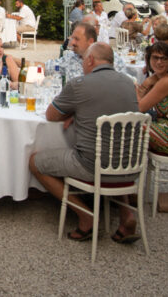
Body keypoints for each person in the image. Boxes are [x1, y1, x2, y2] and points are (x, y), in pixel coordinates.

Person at [29, 43, 141, 243]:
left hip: (92, 167)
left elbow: (51, 115)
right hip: (130, 167)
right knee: (113, 147)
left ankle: (86, 216)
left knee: (35, 162)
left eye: (83, 61)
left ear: (90, 60)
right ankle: (126, 216)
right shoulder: (129, 83)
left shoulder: (80, 84)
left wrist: (73, 111)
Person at [59, 20, 128, 80]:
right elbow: (52, 67)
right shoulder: (71, 58)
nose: (72, 42)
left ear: (90, 41)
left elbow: (124, 85)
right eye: (72, 38)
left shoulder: (113, 59)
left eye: (77, 39)